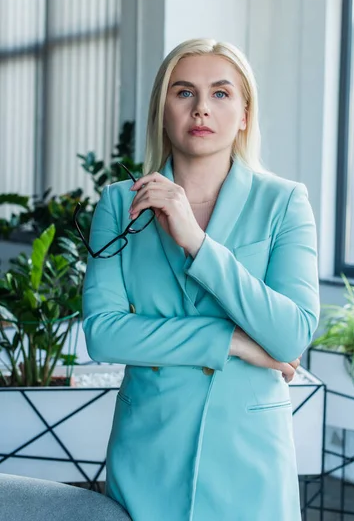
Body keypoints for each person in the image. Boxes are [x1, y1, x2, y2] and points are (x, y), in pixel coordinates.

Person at [82, 38, 320, 521]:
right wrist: (230, 340)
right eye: (184, 92)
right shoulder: (118, 203)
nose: (202, 109)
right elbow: (103, 334)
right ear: (163, 110)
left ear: (245, 114)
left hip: (250, 461)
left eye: (221, 93)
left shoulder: (284, 202)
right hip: (148, 453)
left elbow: (291, 333)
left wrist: (197, 242)